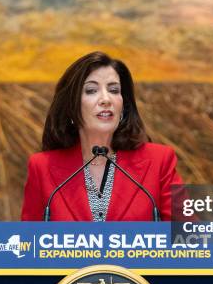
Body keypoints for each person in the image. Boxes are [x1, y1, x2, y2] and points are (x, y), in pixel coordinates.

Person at [21, 51, 182, 221]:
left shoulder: (160, 161)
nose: (106, 99)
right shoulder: (41, 167)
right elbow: (27, 243)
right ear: (71, 106)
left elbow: (189, 239)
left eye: (114, 90)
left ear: (123, 105)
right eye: (91, 90)